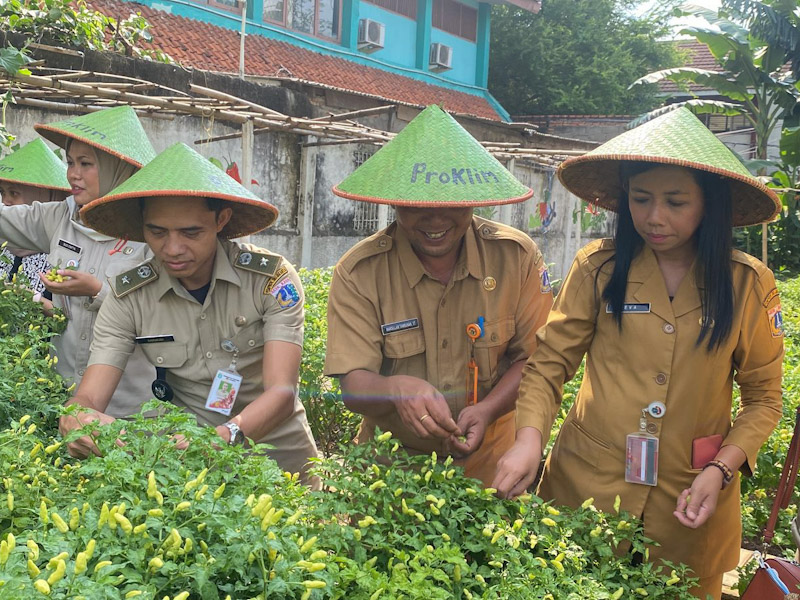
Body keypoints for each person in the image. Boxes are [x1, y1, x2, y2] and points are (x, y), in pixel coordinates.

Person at [492, 107, 784, 599]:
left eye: (675, 202)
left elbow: (763, 400)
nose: (654, 217)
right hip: (587, 487)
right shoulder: (599, 268)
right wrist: (527, 440)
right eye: (641, 198)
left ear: (708, 206)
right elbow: (547, 367)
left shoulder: (746, 283)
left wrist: (721, 469)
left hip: (691, 498)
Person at [59, 142, 319, 482]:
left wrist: (226, 436)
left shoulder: (269, 280)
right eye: (157, 232)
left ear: (221, 219)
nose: (173, 248)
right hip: (193, 469)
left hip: (280, 460)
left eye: (191, 232)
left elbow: (282, 392)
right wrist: (77, 416)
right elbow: (91, 393)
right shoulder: (129, 296)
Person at [325, 105, 553, 486]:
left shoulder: (516, 257)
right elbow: (353, 385)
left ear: (475, 199)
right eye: (418, 204)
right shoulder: (360, 272)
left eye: (451, 203)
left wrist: (487, 410)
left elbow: (535, 360)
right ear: (394, 201)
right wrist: (394, 389)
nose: (435, 218)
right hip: (391, 474)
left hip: (494, 468)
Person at [0, 106, 158, 418]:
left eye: (86, 164)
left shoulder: (153, 229)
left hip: (127, 409)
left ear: (119, 167)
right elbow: (7, 222)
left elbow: (164, 314)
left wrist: (97, 291)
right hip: (64, 396)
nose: (73, 173)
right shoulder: (62, 215)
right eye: (71, 162)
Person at [0, 139, 69, 299]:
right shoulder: (4, 245)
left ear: (43, 198)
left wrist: (33, 298)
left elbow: (71, 317)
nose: (6, 201)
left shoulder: (62, 253)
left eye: (14, 193)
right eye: (2, 192)